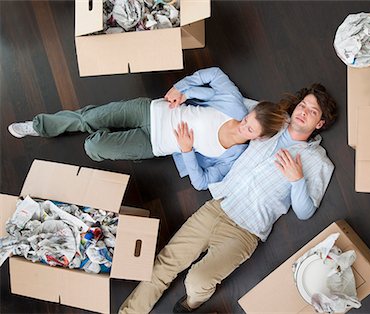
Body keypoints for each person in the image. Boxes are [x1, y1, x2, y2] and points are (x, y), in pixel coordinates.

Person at [118, 83, 338, 313]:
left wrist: (297, 180)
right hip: (216, 208)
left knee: (197, 281)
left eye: (312, 111)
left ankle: (189, 305)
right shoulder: (274, 121)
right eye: (303, 105)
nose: (303, 111)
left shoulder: (318, 162)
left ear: (320, 124)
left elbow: (305, 212)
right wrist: (186, 92)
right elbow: (232, 100)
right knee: (164, 264)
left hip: (245, 231)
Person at [7, 67, 288, 190]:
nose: (242, 126)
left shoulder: (232, 156)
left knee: (92, 147)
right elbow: (214, 74)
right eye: (247, 120)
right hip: (150, 110)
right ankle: (38, 126)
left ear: (259, 138)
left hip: (154, 144)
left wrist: (187, 151)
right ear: (249, 112)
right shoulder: (234, 105)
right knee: (87, 119)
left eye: (250, 131)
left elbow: (202, 182)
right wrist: (182, 87)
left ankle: (110, 139)